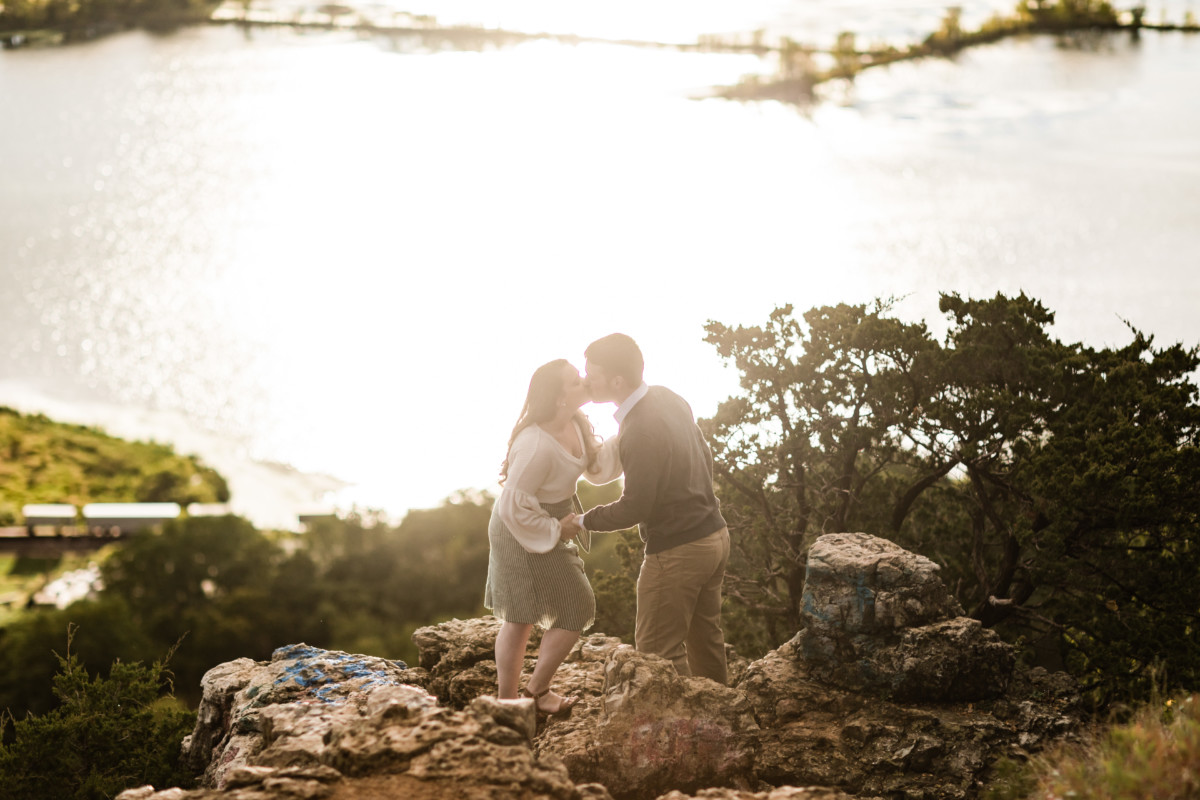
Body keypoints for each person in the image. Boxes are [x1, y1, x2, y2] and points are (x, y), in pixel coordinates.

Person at [560, 333, 730, 684]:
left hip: (678, 551)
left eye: (593, 373)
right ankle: (722, 723)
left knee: (656, 654)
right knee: (706, 640)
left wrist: (582, 520)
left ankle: (683, 730)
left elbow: (634, 507)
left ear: (617, 381)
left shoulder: (638, 429)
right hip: (715, 536)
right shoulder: (668, 397)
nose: (587, 379)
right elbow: (705, 454)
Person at [485, 358, 622, 716]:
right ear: (560, 397)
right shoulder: (533, 444)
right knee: (519, 616)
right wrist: (555, 529)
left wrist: (632, 433)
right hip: (517, 528)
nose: (585, 381)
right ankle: (507, 703)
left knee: (576, 605)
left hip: (552, 517)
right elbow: (514, 505)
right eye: (575, 381)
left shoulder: (575, 422)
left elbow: (594, 466)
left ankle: (534, 692)